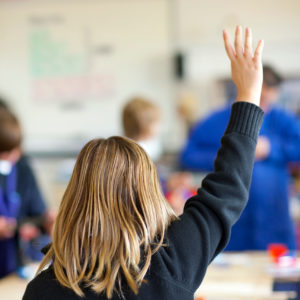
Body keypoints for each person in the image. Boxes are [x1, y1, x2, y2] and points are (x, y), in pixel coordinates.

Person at [23, 26, 264, 300]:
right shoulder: (172, 261)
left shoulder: (42, 289)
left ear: (77, 197)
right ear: (148, 192)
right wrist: (248, 93)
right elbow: (227, 189)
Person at [180, 64, 300, 251]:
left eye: (271, 91)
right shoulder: (218, 119)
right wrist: (230, 155)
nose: (265, 96)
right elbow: (188, 156)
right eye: (262, 89)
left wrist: (271, 149)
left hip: (274, 216)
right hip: (231, 217)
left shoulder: (283, 120)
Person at [0, 106, 52, 278]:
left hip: (15, 266)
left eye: (15, 150)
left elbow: (38, 213)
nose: (13, 156)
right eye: (5, 153)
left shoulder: (23, 168)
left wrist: (44, 223)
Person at [122, 97, 162, 162]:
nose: (158, 127)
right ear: (145, 126)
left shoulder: (149, 144)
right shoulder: (139, 152)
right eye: (156, 122)